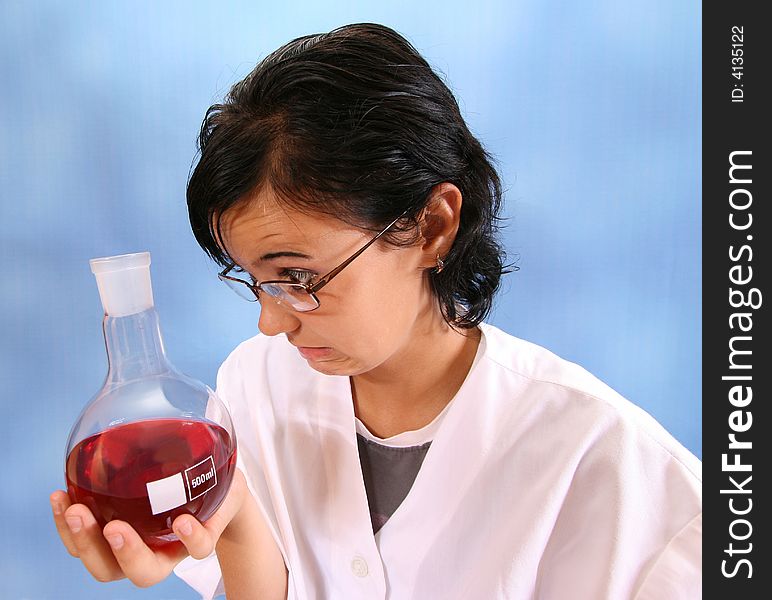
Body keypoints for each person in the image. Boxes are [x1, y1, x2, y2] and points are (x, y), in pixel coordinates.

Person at [51, 22, 701, 599]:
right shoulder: (253, 389)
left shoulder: (617, 473)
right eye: (254, 281)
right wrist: (241, 525)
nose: (270, 323)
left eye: (298, 277)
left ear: (432, 226)